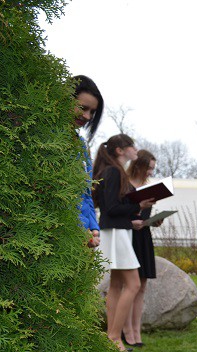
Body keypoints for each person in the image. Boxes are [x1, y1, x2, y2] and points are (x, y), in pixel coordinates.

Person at [92, 134, 155, 352]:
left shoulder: (114, 172)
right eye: (132, 146)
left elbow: (116, 206)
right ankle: (113, 336)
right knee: (134, 284)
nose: (135, 150)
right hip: (116, 232)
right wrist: (137, 207)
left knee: (117, 286)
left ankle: (112, 337)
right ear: (120, 150)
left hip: (119, 231)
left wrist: (137, 209)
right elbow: (110, 208)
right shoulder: (113, 171)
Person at [123, 150, 161, 348]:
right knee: (130, 285)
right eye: (149, 168)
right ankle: (126, 330)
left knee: (142, 286)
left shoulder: (150, 188)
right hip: (127, 236)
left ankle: (137, 331)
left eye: (153, 169)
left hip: (143, 237)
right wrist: (132, 223)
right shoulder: (124, 185)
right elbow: (116, 213)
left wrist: (155, 221)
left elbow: (145, 215)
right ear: (139, 165)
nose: (151, 173)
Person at [72, 75, 104, 248]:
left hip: (82, 237)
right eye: (83, 108)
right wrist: (77, 229)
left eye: (92, 112)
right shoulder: (48, 140)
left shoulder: (82, 146)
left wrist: (93, 228)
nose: (87, 116)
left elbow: (86, 193)